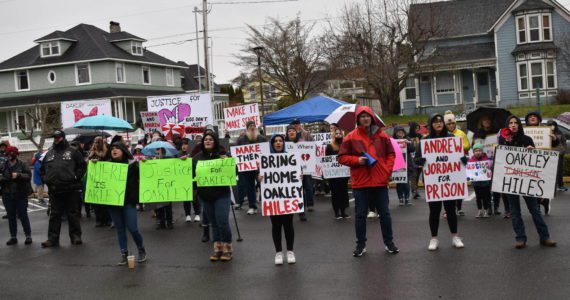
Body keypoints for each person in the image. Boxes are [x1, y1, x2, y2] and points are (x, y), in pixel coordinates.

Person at [338, 106, 399, 257]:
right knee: (360, 215)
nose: (365, 118)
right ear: (358, 119)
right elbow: (341, 157)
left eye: (368, 116)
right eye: (362, 116)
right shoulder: (350, 137)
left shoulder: (382, 136)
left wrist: (387, 170)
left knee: (384, 214)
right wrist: (357, 160)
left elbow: (391, 154)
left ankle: (389, 243)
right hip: (361, 183)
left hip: (379, 181)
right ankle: (360, 245)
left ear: (372, 118)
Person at [498, 115, 556, 249]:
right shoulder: (503, 140)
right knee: (515, 211)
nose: (513, 125)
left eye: (515, 123)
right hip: (512, 181)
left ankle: (545, 237)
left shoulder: (527, 139)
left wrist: (532, 151)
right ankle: (520, 238)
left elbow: (536, 163)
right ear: (507, 126)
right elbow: (501, 160)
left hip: (527, 181)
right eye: (510, 123)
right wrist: (506, 142)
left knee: (535, 210)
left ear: (519, 125)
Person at [415, 114, 466, 251]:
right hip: (433, 182)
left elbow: (460, 156)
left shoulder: (452, 139)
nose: (438, 124)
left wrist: (463, 160)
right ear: (431, 124)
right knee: (434, 211)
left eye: (440, 122)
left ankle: (455, 236)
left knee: (450, 209)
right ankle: (434, 238)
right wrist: (419, 161)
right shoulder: (425, 141)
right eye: (435, 122)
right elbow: (416, 158)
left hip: (449, 181)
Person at [40, 130, 87, 248]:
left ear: (63, 137)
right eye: (54, 137)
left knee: (72, 214)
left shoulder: (73, 151)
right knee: (54, 215)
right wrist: (46, 179)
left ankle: (76, 236)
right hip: (55, 189)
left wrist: (76, 177)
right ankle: (52, 239)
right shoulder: (49, 153)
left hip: (70, 188)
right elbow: (42, 169)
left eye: (58, 137)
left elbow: (82, 165)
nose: (56, 139)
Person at [103, 142, 147, 265]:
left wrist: (146, 165)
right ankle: (124, 253)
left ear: (123, 150)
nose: (114, 150)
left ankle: (141, 248)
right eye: (112, 148)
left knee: (132, 228)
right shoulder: (106, 166)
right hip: (113, 202)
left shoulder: (132, 164)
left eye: (117, 148)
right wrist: (94, 164)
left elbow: (145, 176)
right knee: (120, 229)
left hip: (128, 201)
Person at [193, 132, 234, 261]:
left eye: (210, 139)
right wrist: (183, 161)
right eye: (206, 139)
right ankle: (218, 249)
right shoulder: (197, 158)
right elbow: (190, 174)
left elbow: (235, 172)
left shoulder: (223, 155)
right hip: (205, 196)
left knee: (222, 221)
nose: (208, 141)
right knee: (213, 223)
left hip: (222, 194)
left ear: (215, 141)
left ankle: (227, 249)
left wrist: (227, 161)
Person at [262, 134, 296, 265]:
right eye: (275, 141)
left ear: (283, 143)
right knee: (276, 226)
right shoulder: (266, 159)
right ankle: (278, 252)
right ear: (272, 144)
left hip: (287, 198)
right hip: (273, 199)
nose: (278, 143)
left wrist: (299, 175)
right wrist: (259, 177)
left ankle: (290, 251)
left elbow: (295, 176)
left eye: (280, 141)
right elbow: (259, 176)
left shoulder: (291, 158)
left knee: (288, 225)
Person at [1, 146, 32, 245]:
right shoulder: (3, 165)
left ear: (15, 154)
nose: (9, 156)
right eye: (8, 154)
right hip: (7, 194)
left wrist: (18, 175)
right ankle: (13, 237)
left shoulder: (22, 164)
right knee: (11, 216)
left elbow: (28, 176)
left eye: (11, 154)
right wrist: (5, 178)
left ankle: (28, 236)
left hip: (20, 194)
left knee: (23, 215)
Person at [235, 121, 267, 214]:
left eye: (253, 125)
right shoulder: (241, 140)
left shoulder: (262, 138)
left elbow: (266, 151)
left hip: (260, 168)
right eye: (250, 126)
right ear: (247, 128)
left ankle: (267, 205)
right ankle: (252, 206)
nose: (252, 127)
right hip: (247, 168)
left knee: (264, 185)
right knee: (249, 187)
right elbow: (236, 152)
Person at [444, 110, 470, 216]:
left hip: (459, 164)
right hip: (447, 165)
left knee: (459, 187)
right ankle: (448, 210)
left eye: (452, 123)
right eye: (448, 124)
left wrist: (456, 144)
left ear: (455, 123)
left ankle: (459, 208)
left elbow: (467, 146)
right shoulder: (443, 134)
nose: (450, 125)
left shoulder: (461, 133)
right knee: (447, 188)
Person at [285, 125, 309, 221]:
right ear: (287, 134)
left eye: (293, 131)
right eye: (289, 131)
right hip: (287, 172)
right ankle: (289, 209)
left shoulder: (302, 143)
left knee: (300, 192)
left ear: (296, 133)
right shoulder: (283, 144)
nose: (291, 132)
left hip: (300, 172)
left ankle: (301, 211)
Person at [326, 128, 350, 219]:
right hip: (334, 176)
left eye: (340, 134)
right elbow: (327, 161)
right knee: (335, 193)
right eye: (337, 134)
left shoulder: (345, 146)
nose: (339, 135)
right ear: (333, 135)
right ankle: (336, 212)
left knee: (344, 192)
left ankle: (343, 211)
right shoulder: (329, 146)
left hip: (343, 175)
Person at [88, 136, 112, 227]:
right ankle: (99, 220)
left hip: (104, 178)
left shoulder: (106, 152)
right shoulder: (91, 152)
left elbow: (108, 163)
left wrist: (98, 154)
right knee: (96, 201)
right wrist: (90, 157)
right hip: (95, 179)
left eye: (98, 142)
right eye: (95, 142)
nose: (97, 144)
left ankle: (108, 219)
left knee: (105, 200)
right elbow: (86, 165)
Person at [178, 138, 201, 223]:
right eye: (182, 144)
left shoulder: (194, 154)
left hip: (193, 178)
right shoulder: (178, 155)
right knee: (186, 197)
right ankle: (187, 214)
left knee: (195, 197)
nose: (184, 146)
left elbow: (198, 165)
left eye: (186, 144)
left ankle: (197, 214)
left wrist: (189, 159)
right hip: (184, 179)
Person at [393, 125, 415, 206]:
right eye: (398, 131)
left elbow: (413, 149)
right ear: (395, 133)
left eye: (402, 131)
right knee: (399, 183)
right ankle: (400, 198)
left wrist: (408, 143)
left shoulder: (408, 139)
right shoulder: (393, 141)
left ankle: (407, 197)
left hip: (407, 165)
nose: (400, 132)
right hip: (398, 165)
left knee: (406, 182)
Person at [153, 148, 174, 230]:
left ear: (164, 151)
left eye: (160, 150)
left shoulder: (169, 159)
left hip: (167, 185)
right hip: (157, 186)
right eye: (157, 150)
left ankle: (169, 222)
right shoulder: (153, 159)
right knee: (158, 206)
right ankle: (161, 222)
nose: (158, 151)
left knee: (168, 206)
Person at [469, 143, 491, 218]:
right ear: (473, 152)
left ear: (482, 151)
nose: (478, 152)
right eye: (476, 151)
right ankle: (479, 210)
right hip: (476, 183)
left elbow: (489, 168)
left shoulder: (486, 159)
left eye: (479, 150)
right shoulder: (471, 160)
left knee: (485, 197)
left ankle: (486, 210)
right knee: (478, 197)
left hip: (485, 182)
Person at [547, 120, 567, 192]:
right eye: (549, 125)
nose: (552, 126)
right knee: (550, 171)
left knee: (559, 170)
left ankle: (560, 185)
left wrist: (562, 151)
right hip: (549, 155)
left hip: (559, 154)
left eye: (553, 125)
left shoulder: (560, 133)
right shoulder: (546, 133)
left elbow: (564, 143)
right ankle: (551, 186)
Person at [408, 122, 423, 199]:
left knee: (418, 174)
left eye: (418, 128)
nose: (417, 130)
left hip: (418, 157)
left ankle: (415, 189)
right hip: (411, 158)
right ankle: (414, 191)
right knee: (414, 174)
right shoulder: (407, 137)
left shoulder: (420, 136)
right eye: (416, 128)